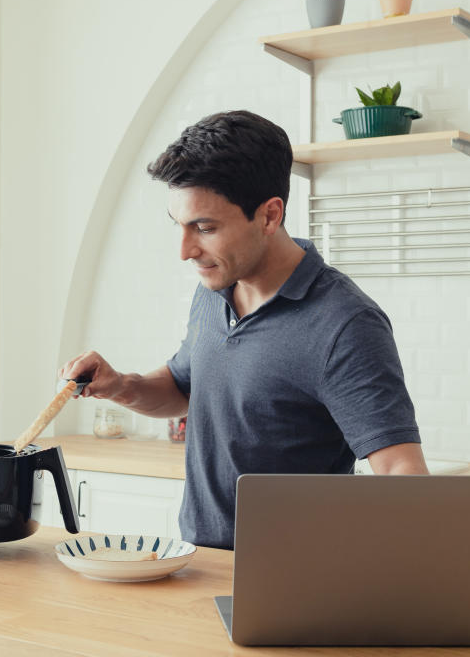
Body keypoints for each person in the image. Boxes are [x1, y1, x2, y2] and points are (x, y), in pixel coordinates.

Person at [59, 109, 428, 550]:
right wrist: (120, 385)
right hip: (197, 559)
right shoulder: (214, 288)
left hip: (291, 581)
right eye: (179, 225)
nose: (185, 250)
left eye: (206, 228)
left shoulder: (345, 324)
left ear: (270, 216)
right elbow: (184, 388)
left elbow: (403, 474)